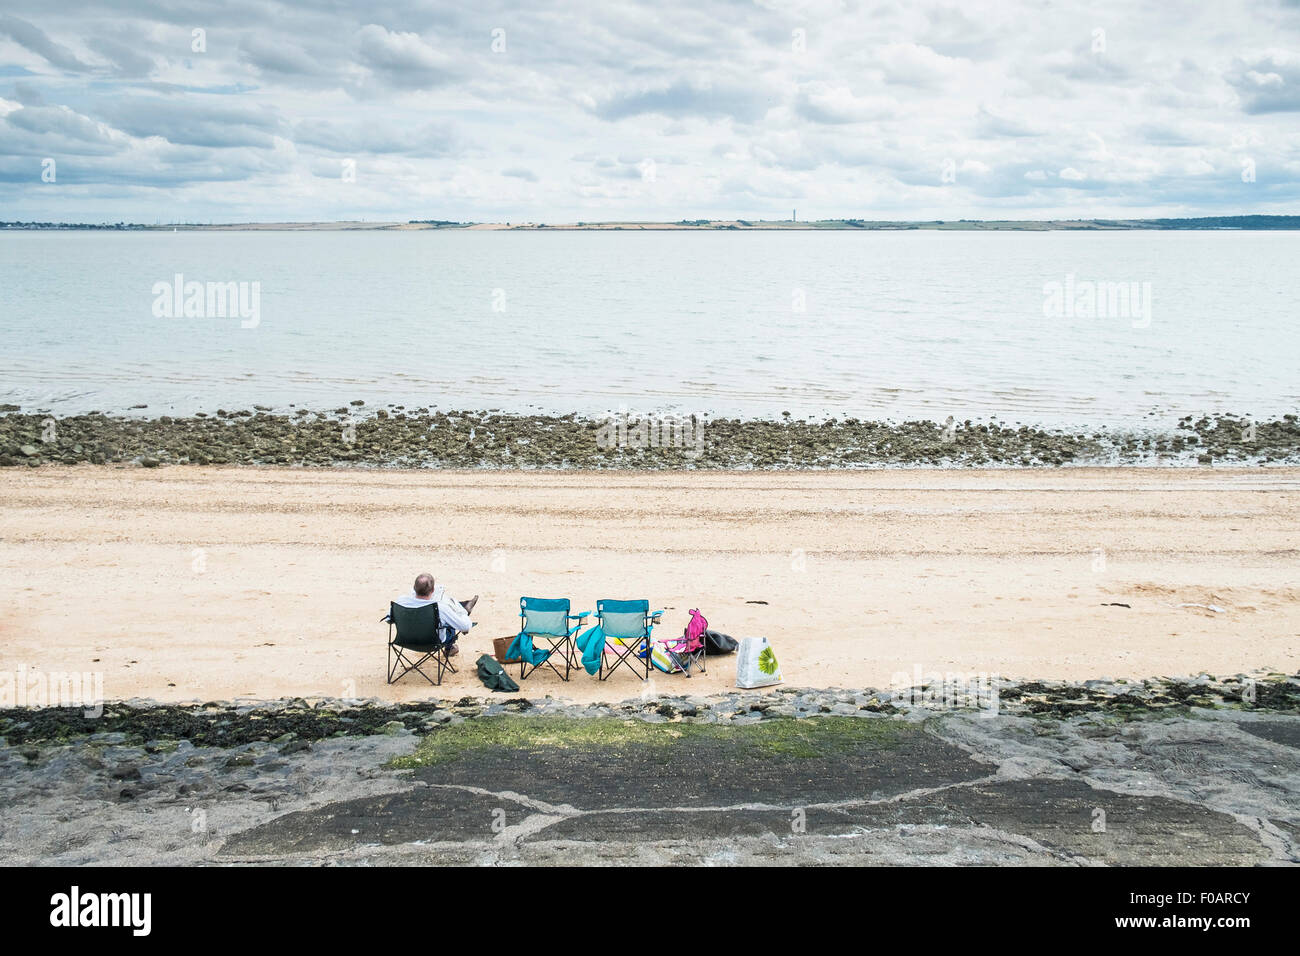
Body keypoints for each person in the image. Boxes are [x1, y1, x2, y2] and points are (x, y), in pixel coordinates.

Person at [391, 573, 477, 656]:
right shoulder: (440, 608)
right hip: (432, 643)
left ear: (414, 588)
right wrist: (461, 611)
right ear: (433, 590)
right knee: (449, 620)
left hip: (405, 640)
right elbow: (465, 626)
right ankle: (449, 648)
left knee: (444, 615)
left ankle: (461, 606)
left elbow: (389, 619)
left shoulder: (400, 601)